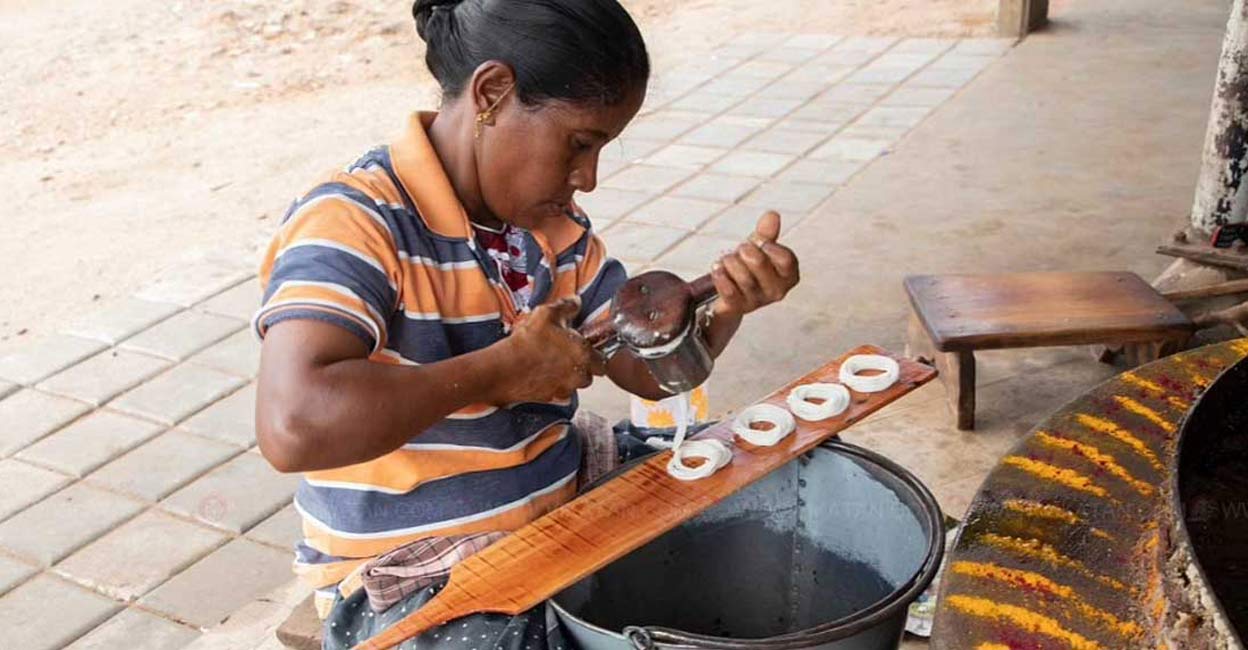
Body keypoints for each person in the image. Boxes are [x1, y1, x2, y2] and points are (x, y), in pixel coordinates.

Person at [253, 0, 801, 647]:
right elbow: (293, 426)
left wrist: (725, 307)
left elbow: (643, 372)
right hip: (412, 570)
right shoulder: (357, 221)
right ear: (491, 93)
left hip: (558, 503)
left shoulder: (549, 227)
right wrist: (504, 370)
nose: (588, 179)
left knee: (769, 473)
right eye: (579, 145)